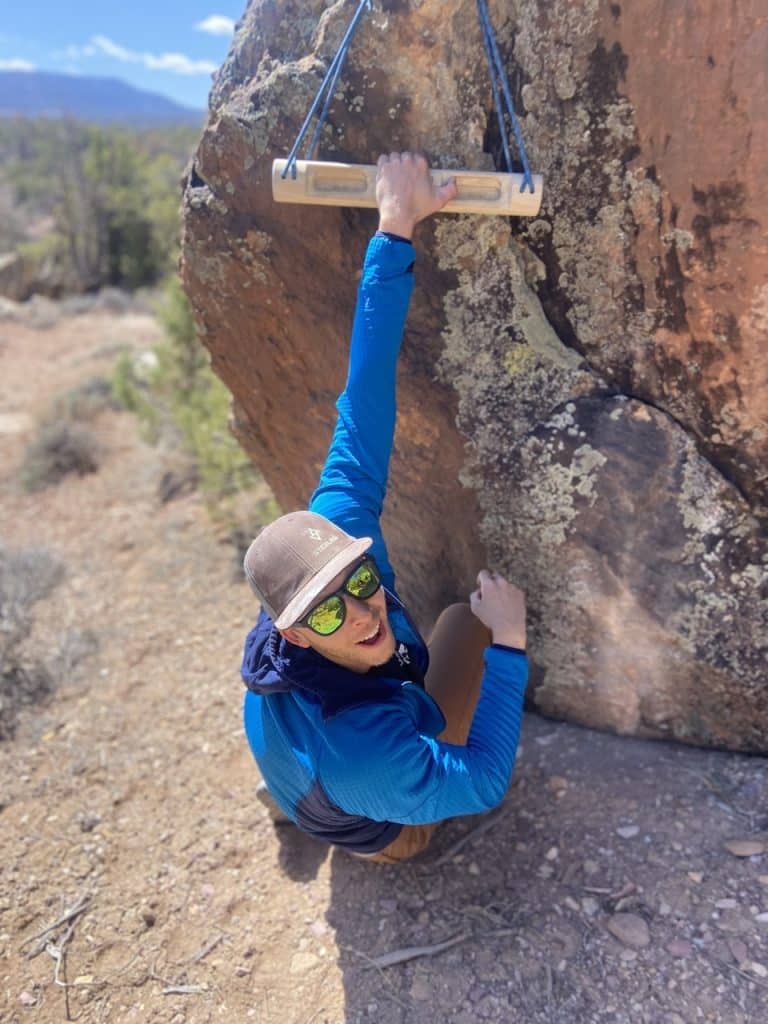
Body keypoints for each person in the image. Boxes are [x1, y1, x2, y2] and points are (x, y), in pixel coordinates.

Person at [241, 152, 528, 863]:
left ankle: (302, 801)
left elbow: (365, 396)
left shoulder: (330, 534)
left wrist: (395, 225)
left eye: (359, 581)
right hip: (378, 809)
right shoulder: (366, 747)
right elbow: (487, 779)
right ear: (297, 634)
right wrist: (515, 646)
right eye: (331, 610)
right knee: (475, 630)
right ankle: (395, 833)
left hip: (326, 769)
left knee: (449, 629)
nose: (365, 611)